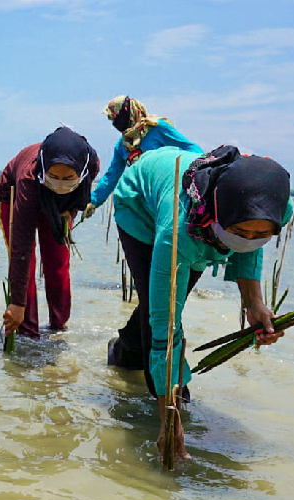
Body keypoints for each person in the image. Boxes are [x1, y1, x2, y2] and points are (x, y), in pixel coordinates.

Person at [112, 144, 292, 460]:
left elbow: (249, 245)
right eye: (240, 231)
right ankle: (167, 394)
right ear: (219, 216)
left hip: (201, 225)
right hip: (139, 205)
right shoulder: (178, 232)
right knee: (164, 309)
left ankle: (124, 349)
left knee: (159, 303)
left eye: (261, 233)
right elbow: (165, 327)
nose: (249, 239)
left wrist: (255, 304)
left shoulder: (276, 208)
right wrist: (171, 415)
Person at [84, 95, 204, 371]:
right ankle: (136, 352)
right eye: (112, 120)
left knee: (163, 293)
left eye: (118, 116)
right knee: (152, 292)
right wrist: (93, 201)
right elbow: (112, 176)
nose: (116, 122)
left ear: (131, 112)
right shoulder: (123, 144)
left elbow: (194, 151)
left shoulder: (159, 128)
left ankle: (131, 345)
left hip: (168, 208)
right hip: (140, 213)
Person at [0, 126, 100, 340]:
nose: (60, 183)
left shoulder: (91, 163)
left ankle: (58, 326)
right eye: (54, 176)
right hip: (19, 192)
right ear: (45, 169)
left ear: (80, 171)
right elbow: (21, 249)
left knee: (58, 262)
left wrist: (70, 212)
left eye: (68, 178)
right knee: (28, 263)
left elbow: (82, 192)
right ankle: (28, 331)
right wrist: (16, 303)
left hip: (59, 204)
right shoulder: (28, 179)